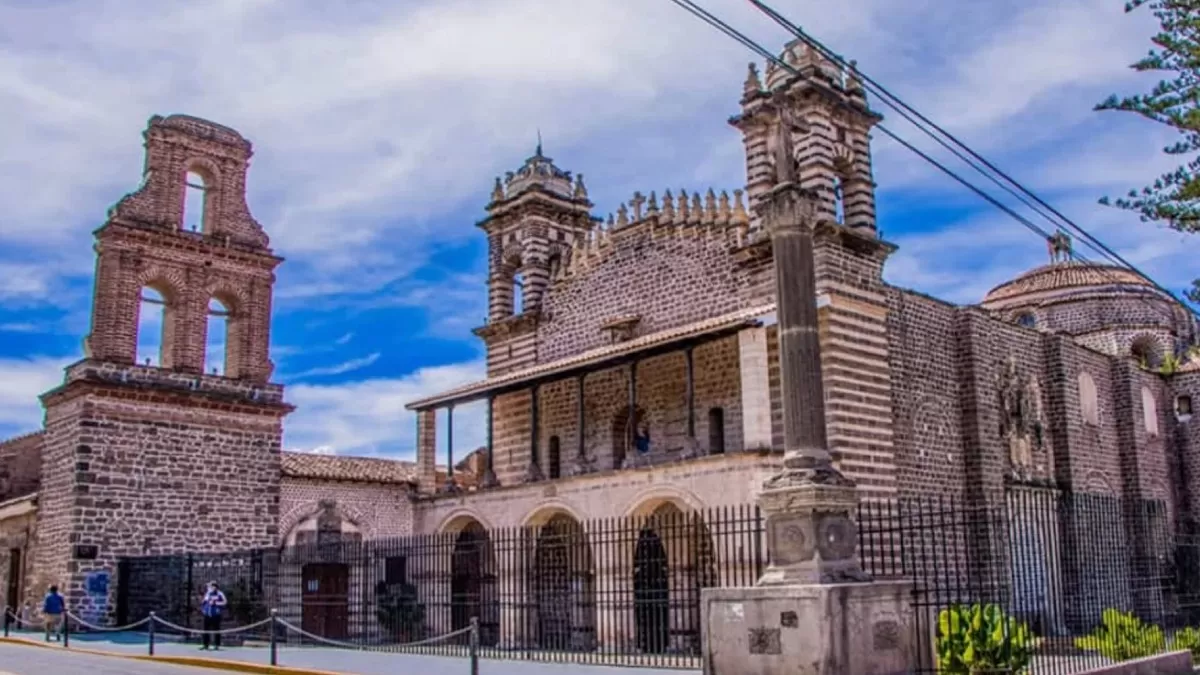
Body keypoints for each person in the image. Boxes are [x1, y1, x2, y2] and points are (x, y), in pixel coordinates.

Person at [199, 581, 227, 651]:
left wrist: (216, 603)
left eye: (214, 586)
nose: (212, 587)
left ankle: (217, 645)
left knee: (216, 630)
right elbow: (204, 602)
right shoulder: (208, 594)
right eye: (211, 586)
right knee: (206, 630)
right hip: (207, 614)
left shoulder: (220, 593)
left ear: (216, 587)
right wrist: (203, 609)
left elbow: (225, 602)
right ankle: (206, 645)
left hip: (215, 615)